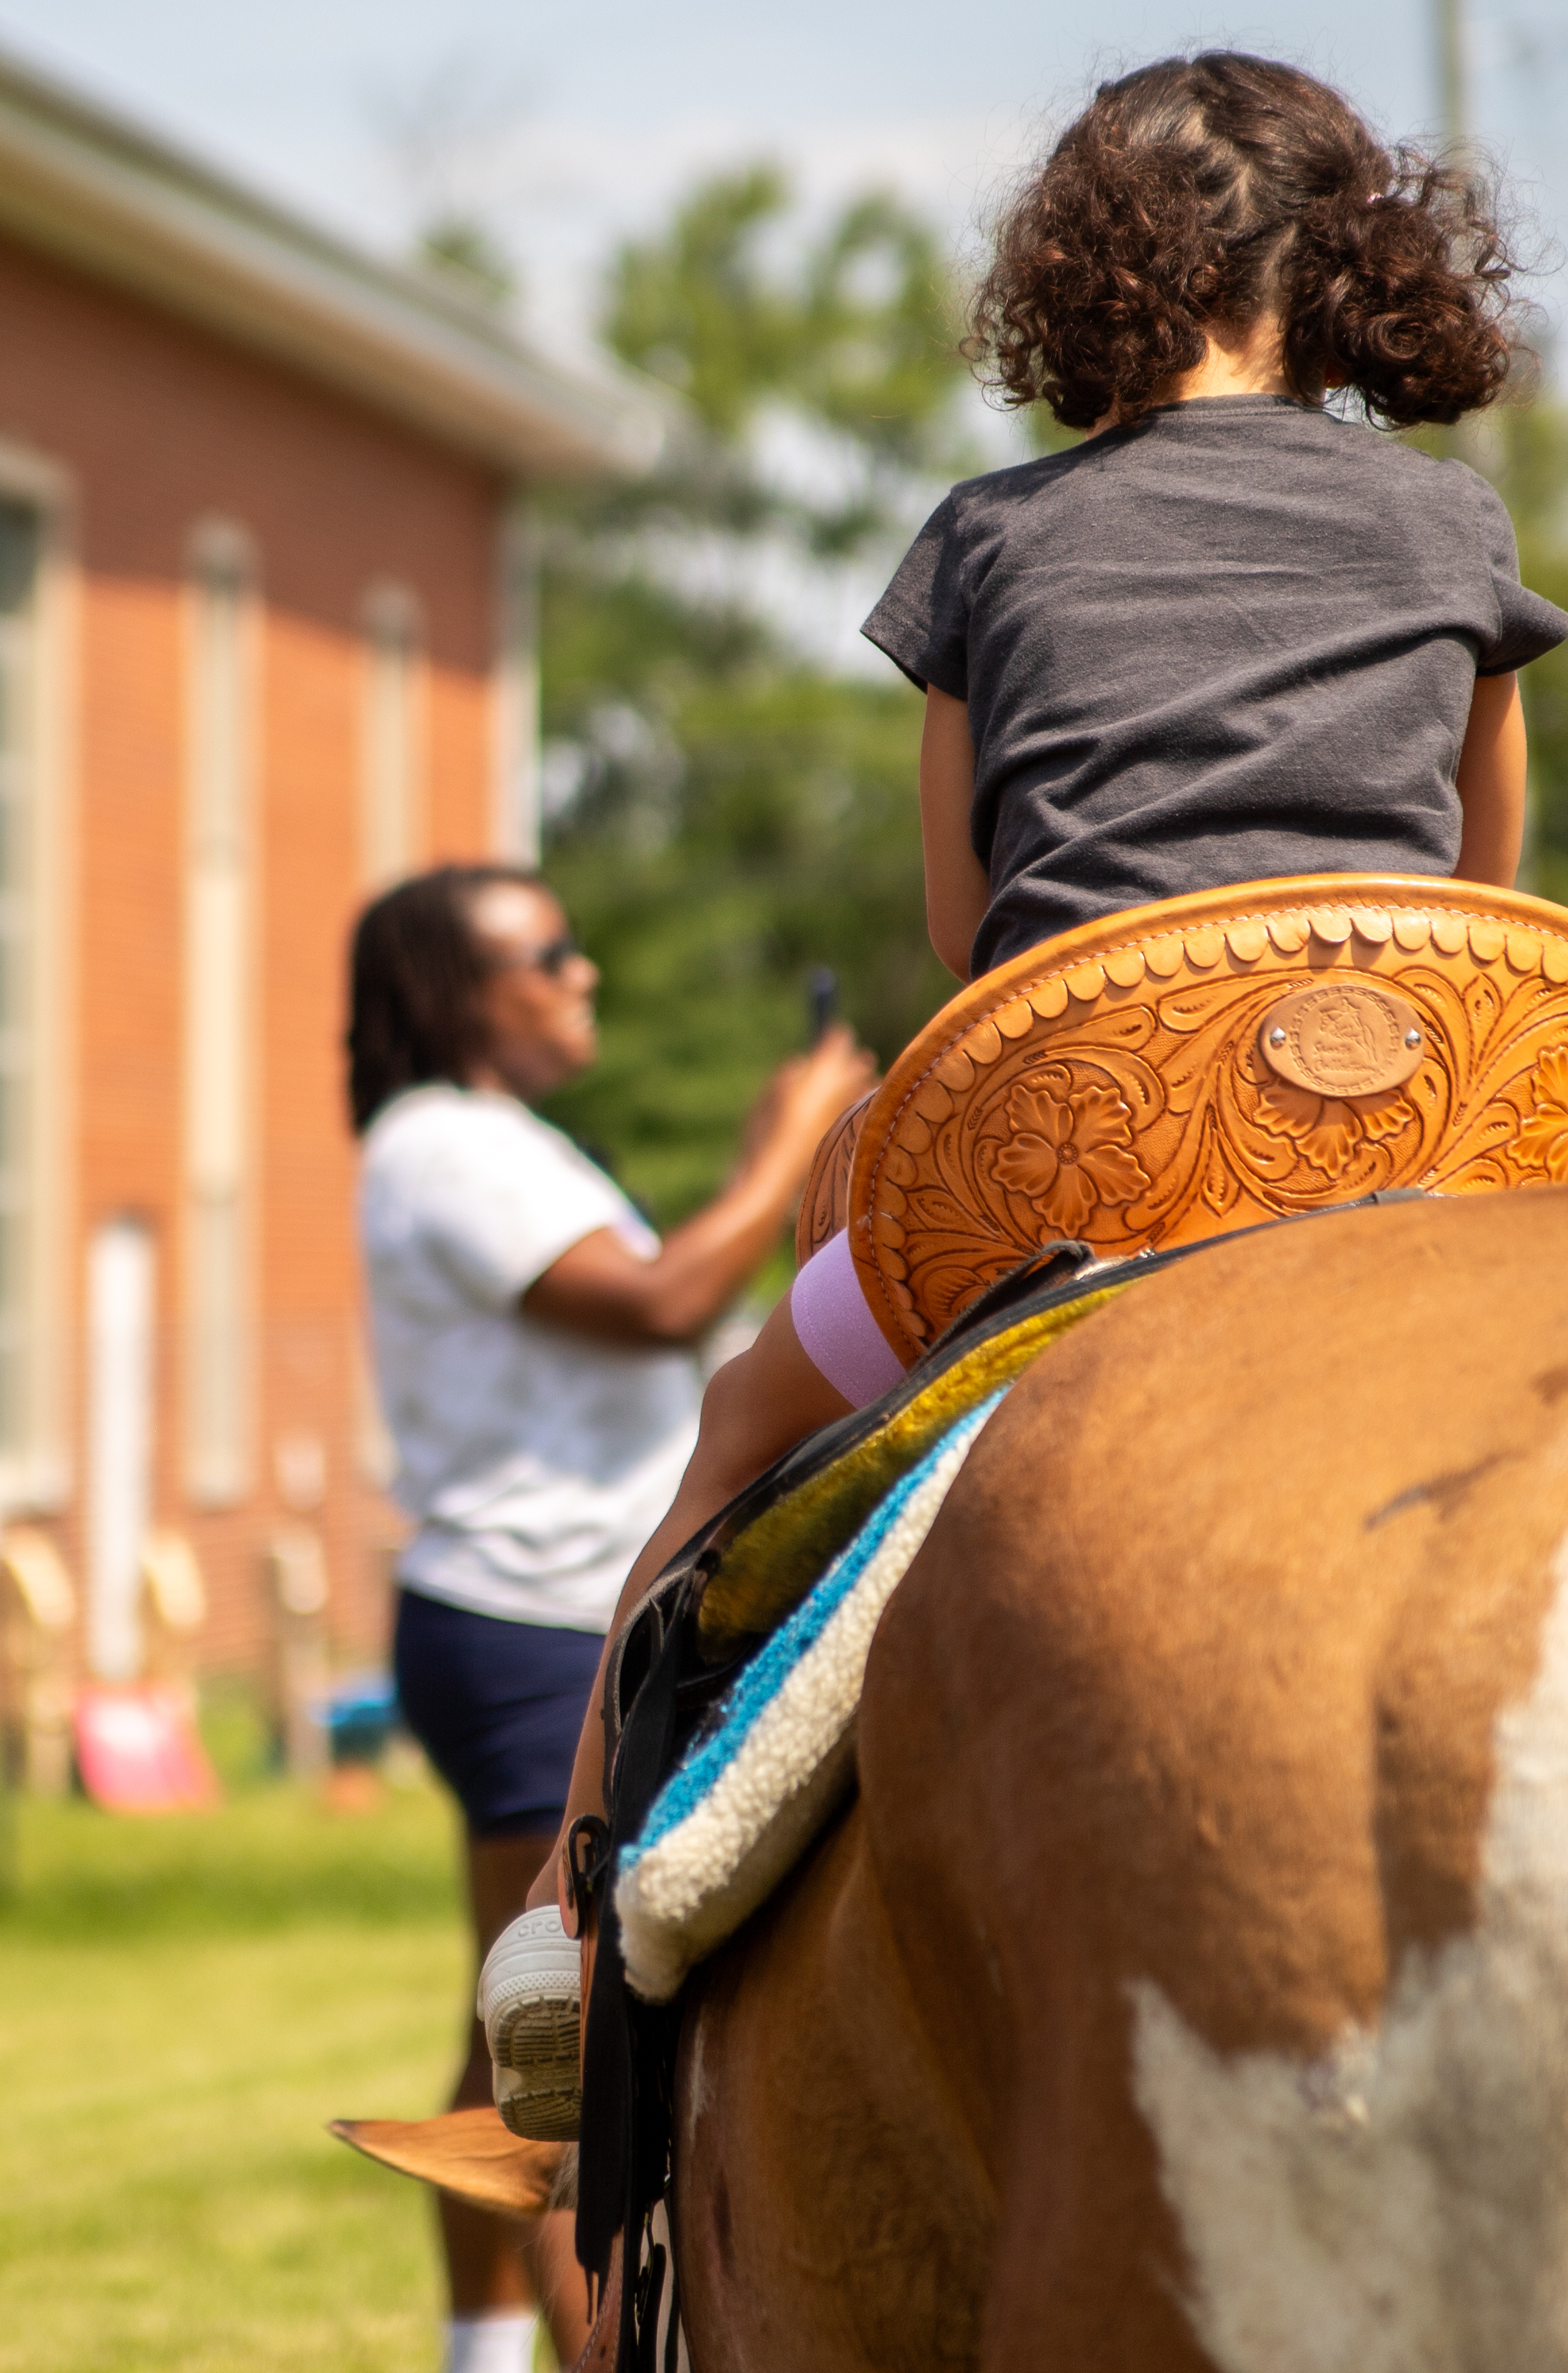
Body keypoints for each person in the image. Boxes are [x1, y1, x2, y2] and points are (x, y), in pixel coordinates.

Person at [508, 51, 1568, 2070]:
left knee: (739, 1425)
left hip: (1065, 1158)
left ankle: (567, 1948)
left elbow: (961, 917)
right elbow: (1482, 900)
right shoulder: (1448, 527)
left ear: (1082, 272)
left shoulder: (990, 543)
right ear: (1346, 266)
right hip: (1388, 1157)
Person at [345, 863, 873, 2373]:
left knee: (540, 2019)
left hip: (552, 1608)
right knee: (558, 2030)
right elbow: (653, 1303)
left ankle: (494, 2350)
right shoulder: (443, 1143)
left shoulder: (497, 1144)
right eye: (548, 954)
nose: (583, 975)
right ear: (453, 993)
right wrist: (789, 1144)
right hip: (532, 1620)